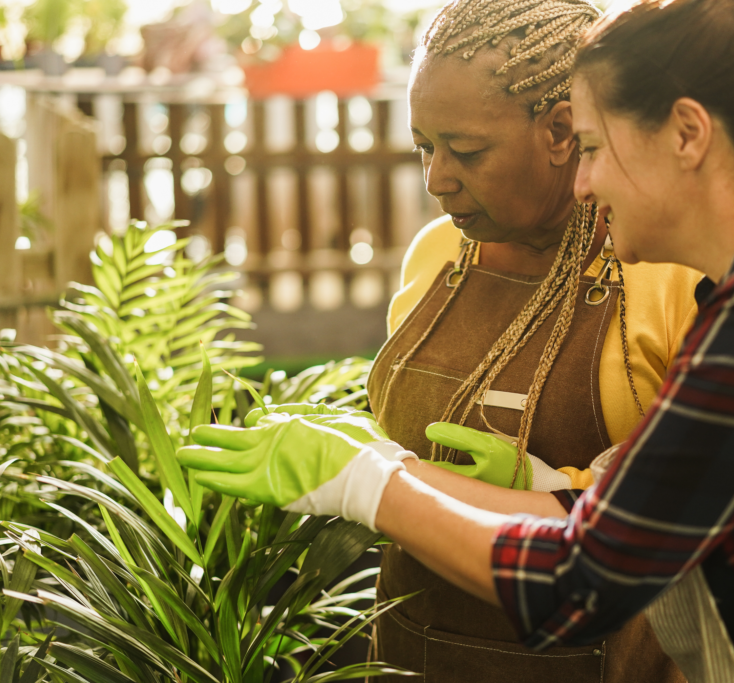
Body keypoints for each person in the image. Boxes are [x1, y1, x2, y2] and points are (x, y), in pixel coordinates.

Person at [178, 0, 734, 680]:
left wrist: (367, 483)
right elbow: (623, 508)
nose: (584, 183)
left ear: (687, 134)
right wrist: (410, 470)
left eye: (591, 147)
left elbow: (579, 580)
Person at [240, 1, 701, 681]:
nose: (436, 179)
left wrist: (552, 485)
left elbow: (670, 520)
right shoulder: (436, 258)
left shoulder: (664, 275)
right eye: (426, 146)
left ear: (562, 131)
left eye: (467, 150)